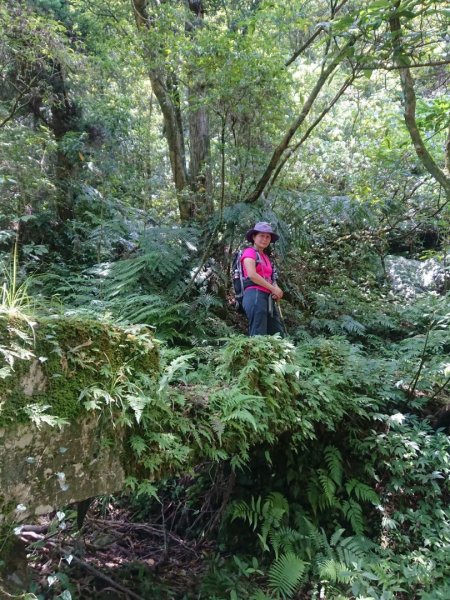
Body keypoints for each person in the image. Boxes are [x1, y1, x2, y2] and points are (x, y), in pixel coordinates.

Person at [241, 222, 284, 337]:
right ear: (254, 237)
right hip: (254, 294)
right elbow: (251, 275)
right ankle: (254, 355)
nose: (264, 239)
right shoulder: (249, 252)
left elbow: (271, 278)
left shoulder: (266, 256)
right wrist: (272, 289)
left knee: (278, 334)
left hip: (267, 298)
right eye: (261, 235)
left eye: (267, 237)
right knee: (258, 334)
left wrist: (276, 288)